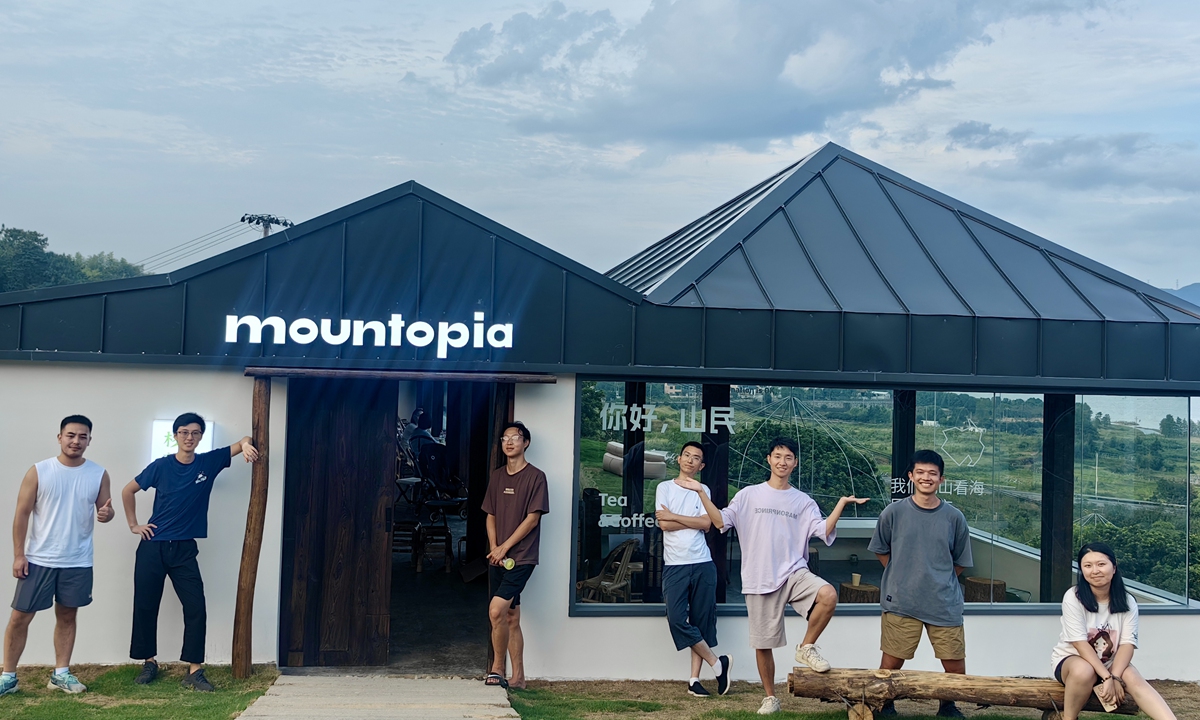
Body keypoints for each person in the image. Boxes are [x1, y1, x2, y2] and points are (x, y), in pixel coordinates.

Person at [685, 437, 866, 715]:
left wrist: (840, 505)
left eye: (789, 457)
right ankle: (770, 697)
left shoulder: (803, 501)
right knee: (763, 643)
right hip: (759, 577)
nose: (783, 462)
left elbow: (822, 530)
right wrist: (700, 492)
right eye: (778, 456)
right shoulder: (748, 495)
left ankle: (806, 647)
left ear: (795, 463)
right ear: (769, 459)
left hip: (794, 571)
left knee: (828, 594)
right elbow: (720, 521)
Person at [120, 412, 258, 692]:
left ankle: (194, 670)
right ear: (175, 435)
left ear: (201, 437)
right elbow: (127, 490)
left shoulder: (208, 462)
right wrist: (134, 525)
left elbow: (243, 440)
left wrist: (245, 444)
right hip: (153, 546)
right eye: (183, 432)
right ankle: (149, 662)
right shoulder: (161, 466)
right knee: (146, 605)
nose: (189, 437)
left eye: (195, 433)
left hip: (184, 549)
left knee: (195, 607)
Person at [2, 416, 114, 697]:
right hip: (39, 558)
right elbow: (21, 515)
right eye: (71, 435)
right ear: (60, 437)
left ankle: (61, 674)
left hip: (77, 560)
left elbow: (106, 511)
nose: (76, 441)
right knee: (19, 618)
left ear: (89, 440)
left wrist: (107, 514)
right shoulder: (39, 471)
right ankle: (8, 677)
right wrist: (19, 555)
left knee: (67, 616)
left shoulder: (98, 474)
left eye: (83, 437)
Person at [868, 449, 972, 718]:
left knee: (954, 664)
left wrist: (938, 577)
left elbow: (959, 561)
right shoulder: (893, 512)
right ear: (911, 476)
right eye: (921, 473)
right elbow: (881, 550)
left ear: (941, 479)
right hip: (901, 600)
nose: (927, 478)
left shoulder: (954, 517)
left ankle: (948, 705)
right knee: (891, 660)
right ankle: (884, 703)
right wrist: (902, 573)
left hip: (943, 601)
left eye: (933, 474)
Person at [1050, 542, 1176, 720]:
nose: (1095, 571)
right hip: (1072, 661)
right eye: (1088, 566)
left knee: (1132, 675)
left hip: (1110, 664)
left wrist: (1115, 677)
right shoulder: (1073, 597)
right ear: (1081, 570)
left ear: (1114, 567)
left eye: (1101, 564)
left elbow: (1127, 645)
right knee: (1084, 670)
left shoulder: (1127, 601)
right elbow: (1079, 644)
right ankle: (1068, 718)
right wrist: (1107, 678)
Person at [653, 441, 731, 697]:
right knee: (676, 619)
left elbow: (707, 523)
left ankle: (694, 681)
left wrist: (675, 517)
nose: (689, 460)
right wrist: (690, 522)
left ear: (701, 465)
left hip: (701, 563)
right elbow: (663, 526)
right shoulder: (664, 487)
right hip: (675, 565)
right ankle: (718, 664)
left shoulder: (702, 489)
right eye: (686, 455)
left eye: (695, 457)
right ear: (679, 459)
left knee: (700, 621)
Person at [482, 421, 548, 690]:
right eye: (505, 438)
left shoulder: (536, 477)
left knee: (496, 611)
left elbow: (532, 519)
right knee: (511, 616)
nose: (509, 442)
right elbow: (490, 515)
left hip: (522, 557)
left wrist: (504, 547)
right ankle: (519, 677)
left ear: (526, 443)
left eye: (516, 438)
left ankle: (497, 668)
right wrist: (494, 547)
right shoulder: (497, 476)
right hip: (499, 556)